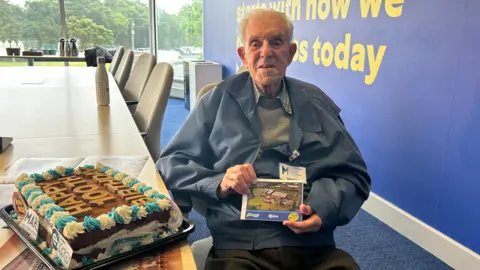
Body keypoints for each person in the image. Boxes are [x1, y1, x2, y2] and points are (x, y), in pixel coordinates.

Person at [156, 8, 371, 270]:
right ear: (243, 55)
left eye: (276, 42)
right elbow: (172, 162)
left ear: (290, 53)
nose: (266, 52)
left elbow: (354, 174)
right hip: (241, 243)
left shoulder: (317, 103)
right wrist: (220, 182)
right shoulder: (217, 101)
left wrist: (323, 208)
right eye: (255, 43)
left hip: (310, 244)